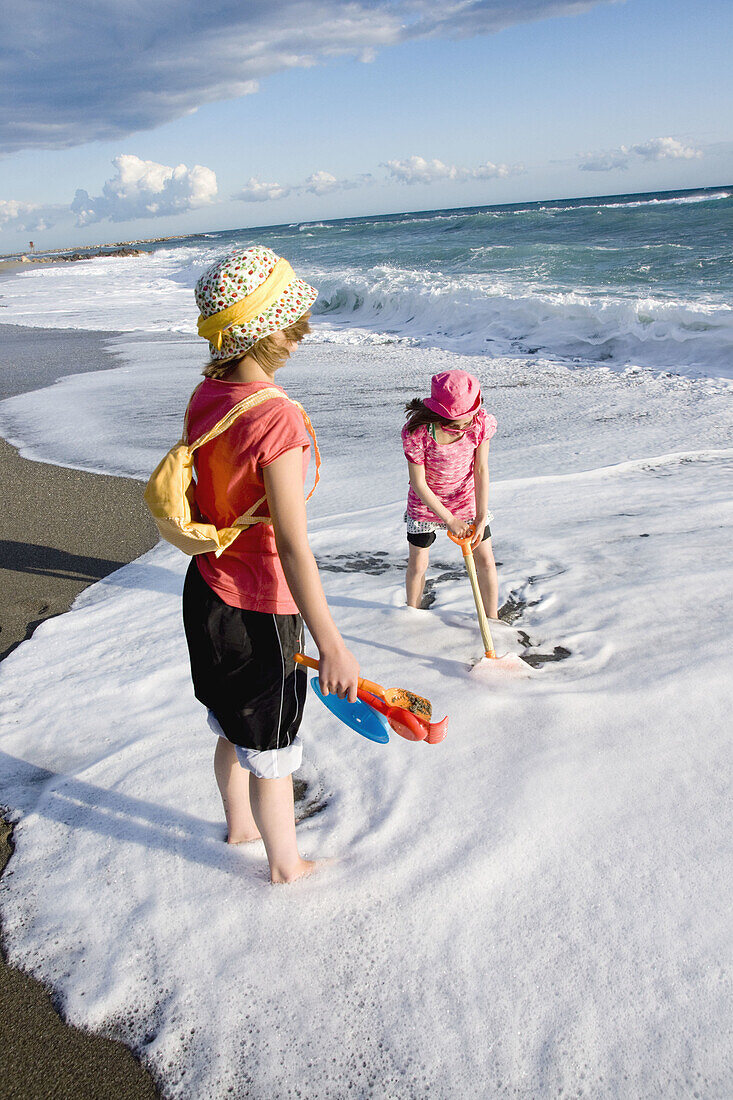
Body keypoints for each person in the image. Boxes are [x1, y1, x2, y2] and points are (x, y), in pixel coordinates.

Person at [182, 245, 359, 884]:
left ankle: (238, 826)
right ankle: (286, 865)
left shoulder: (209, 394)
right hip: (260, 607)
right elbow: (291, 545)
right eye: (291, 319)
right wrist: (333, 645)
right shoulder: (276, 417)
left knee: (233, 724)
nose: (301, 331)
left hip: (206, 590)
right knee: (275, 749)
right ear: (265, 327)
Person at [401, 369, 499, 616]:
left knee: (485, 561)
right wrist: (449, 520)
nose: (466, 426)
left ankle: (493, 619)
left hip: (466, 501)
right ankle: (410, 615)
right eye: (459, 423)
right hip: (426, 505)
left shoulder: (479, 424)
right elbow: (419, 483)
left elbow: (481, 470)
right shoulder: (418, 433)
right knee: (418, 564)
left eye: (469, 418)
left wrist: (481, 515)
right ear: (438, 414)